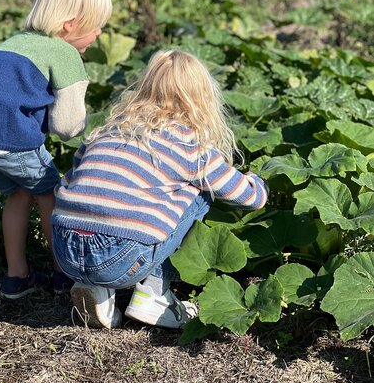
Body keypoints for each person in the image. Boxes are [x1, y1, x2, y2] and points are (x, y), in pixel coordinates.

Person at [51, 49, 269, 329]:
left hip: (65, 250)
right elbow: (250, 198)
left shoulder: (108, 128)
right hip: (120, 257)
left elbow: (76, 175)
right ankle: (153, 294)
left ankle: (95, 287)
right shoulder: (189, 143)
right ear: (201, 96)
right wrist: (259, 182)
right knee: (200, 194)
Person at [0, 0, 112, 299]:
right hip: (7, 135)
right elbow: (66, 127)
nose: (98, 34)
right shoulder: (64, 53)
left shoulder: (14, 42)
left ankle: (16, 277)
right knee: (50, 195)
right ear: (70, 25)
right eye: (96, 26)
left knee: (20, 194)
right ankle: (63, 273)